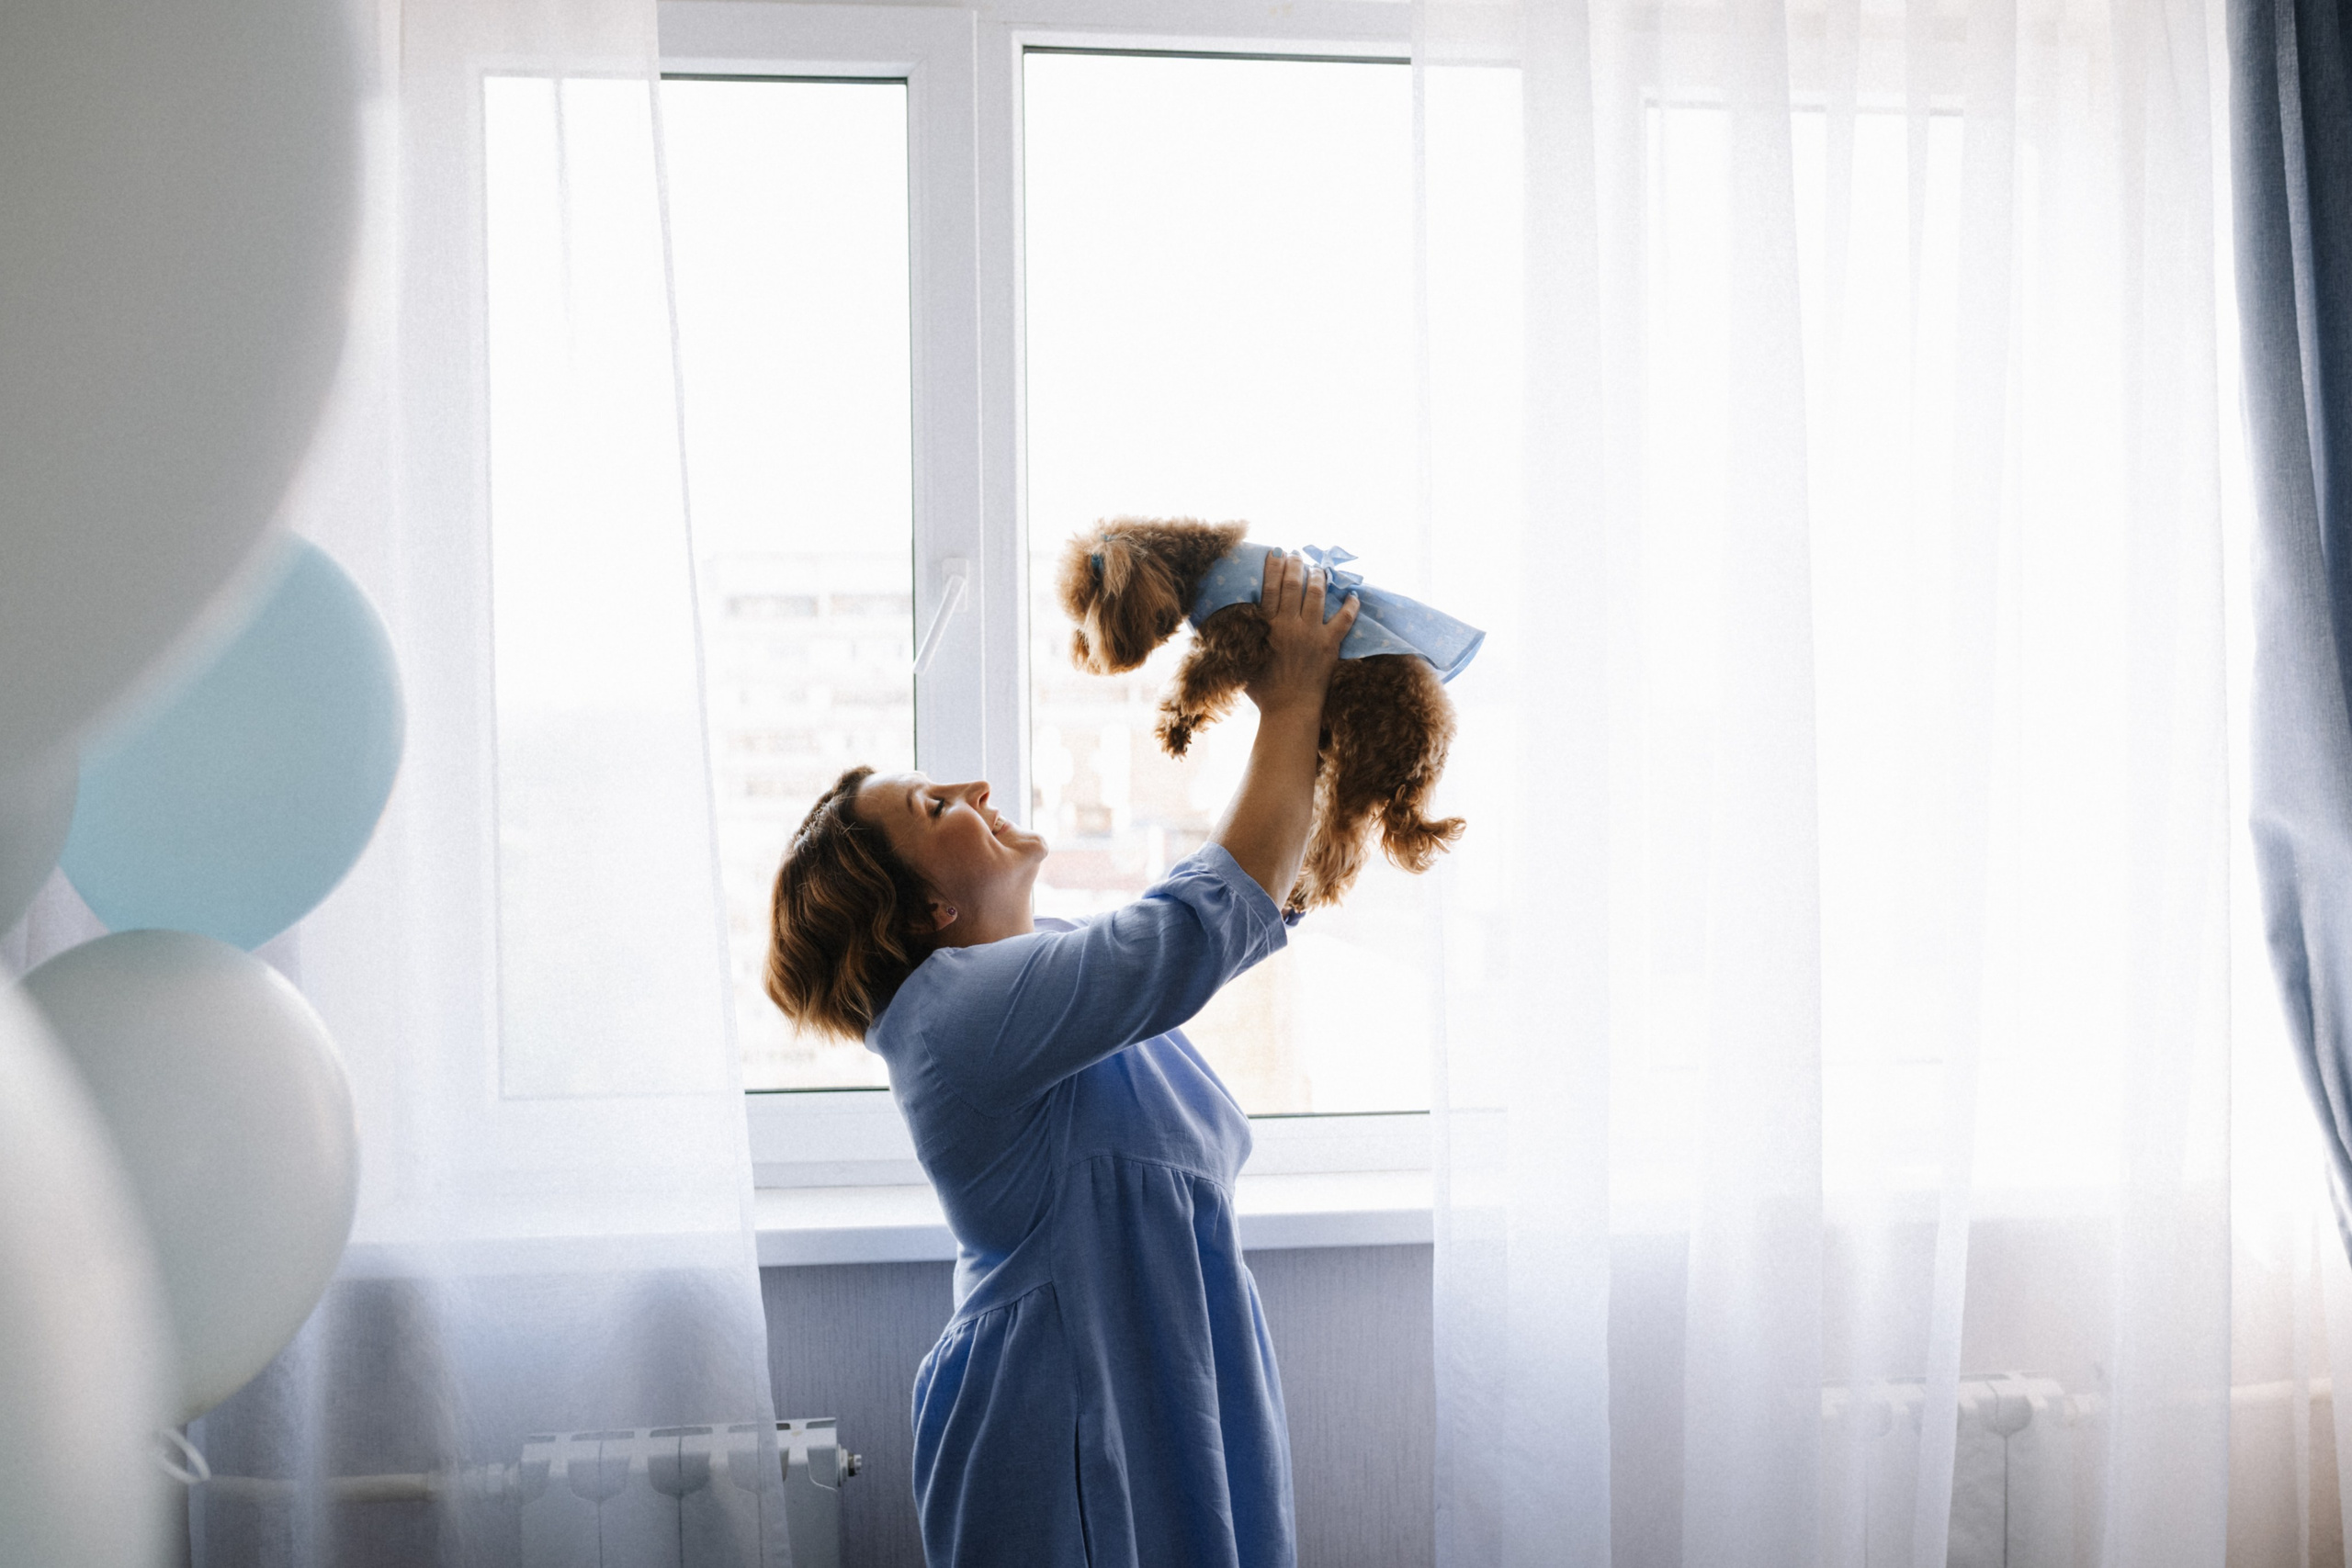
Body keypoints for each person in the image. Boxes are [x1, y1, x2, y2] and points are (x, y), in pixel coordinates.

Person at [763, 550, 1359, 1568]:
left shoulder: (1046, 987)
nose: (975, 787)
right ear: (927, 912)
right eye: (934, 806)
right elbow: (1199, 926)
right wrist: (1290, 700)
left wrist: (1326, 723)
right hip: (1065, 1409)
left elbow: (1232, 907)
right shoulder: (953, 1019)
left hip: (1168, 1381)